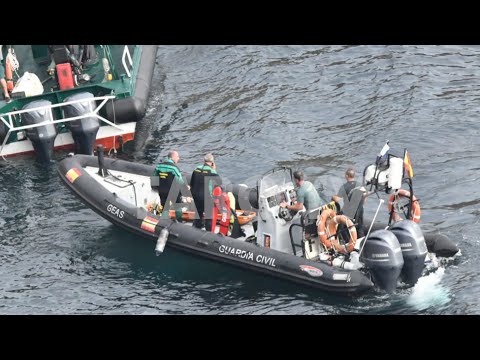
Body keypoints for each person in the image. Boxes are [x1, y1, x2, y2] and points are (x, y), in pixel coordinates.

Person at [190, 153, 222, 230]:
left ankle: (196, 230)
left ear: (204, 161)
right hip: (206, 197)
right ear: (212, 162)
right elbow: (219, 182)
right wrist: (214, 170)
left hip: (196, 195)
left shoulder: (196, 169)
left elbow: (192, 183)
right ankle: (208, 233)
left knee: (198, 214)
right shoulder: (211, 171)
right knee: (208, 217)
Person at [332, 168, 365, 238]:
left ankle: (348, 243)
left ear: (347, 176)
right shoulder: (360, 185)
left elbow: (337, 199)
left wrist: (333, 197)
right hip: (360, 210)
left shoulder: (345, 186)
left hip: (349, 212)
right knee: (360, 227)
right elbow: (365, 197)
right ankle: (361, 241)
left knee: (344, 228)